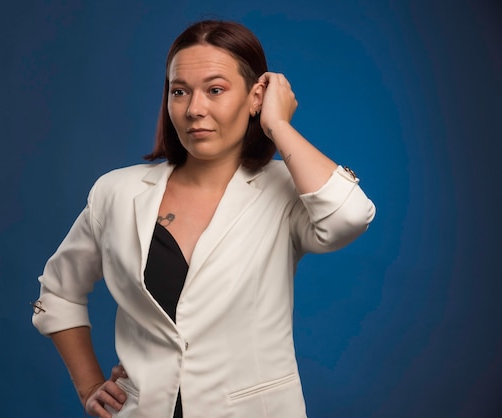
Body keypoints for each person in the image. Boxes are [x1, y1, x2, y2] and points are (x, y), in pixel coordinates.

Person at [32, 19, 376, 418]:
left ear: (255, 98)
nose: (195, 109)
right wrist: (89, 385)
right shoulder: (118, 192)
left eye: (215, 90)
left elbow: (349, 217)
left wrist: (278, 124)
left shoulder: (285, 190)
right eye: (180, 92)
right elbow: (58, 293)